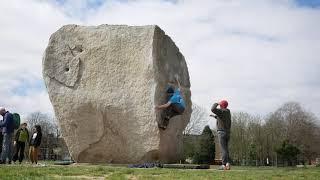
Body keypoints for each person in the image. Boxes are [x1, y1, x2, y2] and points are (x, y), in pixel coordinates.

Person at [210, 100, 231, 170]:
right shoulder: (228, 112)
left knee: (223, 150)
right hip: (227, 133)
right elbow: (221, 117)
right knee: (226, 149)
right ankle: (227, 164)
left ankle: (224, 165)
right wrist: (215, 116)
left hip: (221, 133)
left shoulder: (221, 111)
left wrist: (217, 103)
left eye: (220, 105)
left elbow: (212, 109)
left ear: (221, 105)